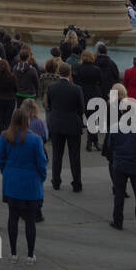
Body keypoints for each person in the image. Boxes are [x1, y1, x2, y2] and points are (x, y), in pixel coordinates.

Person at [0, 107, 47, 264]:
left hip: (12, 183)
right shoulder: (35, 139)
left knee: (12, 217)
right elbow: (41, 163)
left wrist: (7, 173)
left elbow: (0, 160)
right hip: (31, 184)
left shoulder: (5, 136)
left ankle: (13, 253)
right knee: (30, 220)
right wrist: (41, 178)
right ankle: (30, 254)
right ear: (27, 121)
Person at [103, 85, 136, 233]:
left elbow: (110, 146)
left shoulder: (115, 128)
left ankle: (118, 221)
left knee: (119, 194)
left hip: (120, 165)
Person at [47, 62, 86, 193]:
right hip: (72, 124)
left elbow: (49, 104)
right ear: (69, 73)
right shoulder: (76, 89)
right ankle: (76, 183)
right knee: (74, 156)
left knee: (57, 155)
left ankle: (56, 181)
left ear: (58, 72)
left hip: (57, 123)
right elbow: (81, 108)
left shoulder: (51, 87)